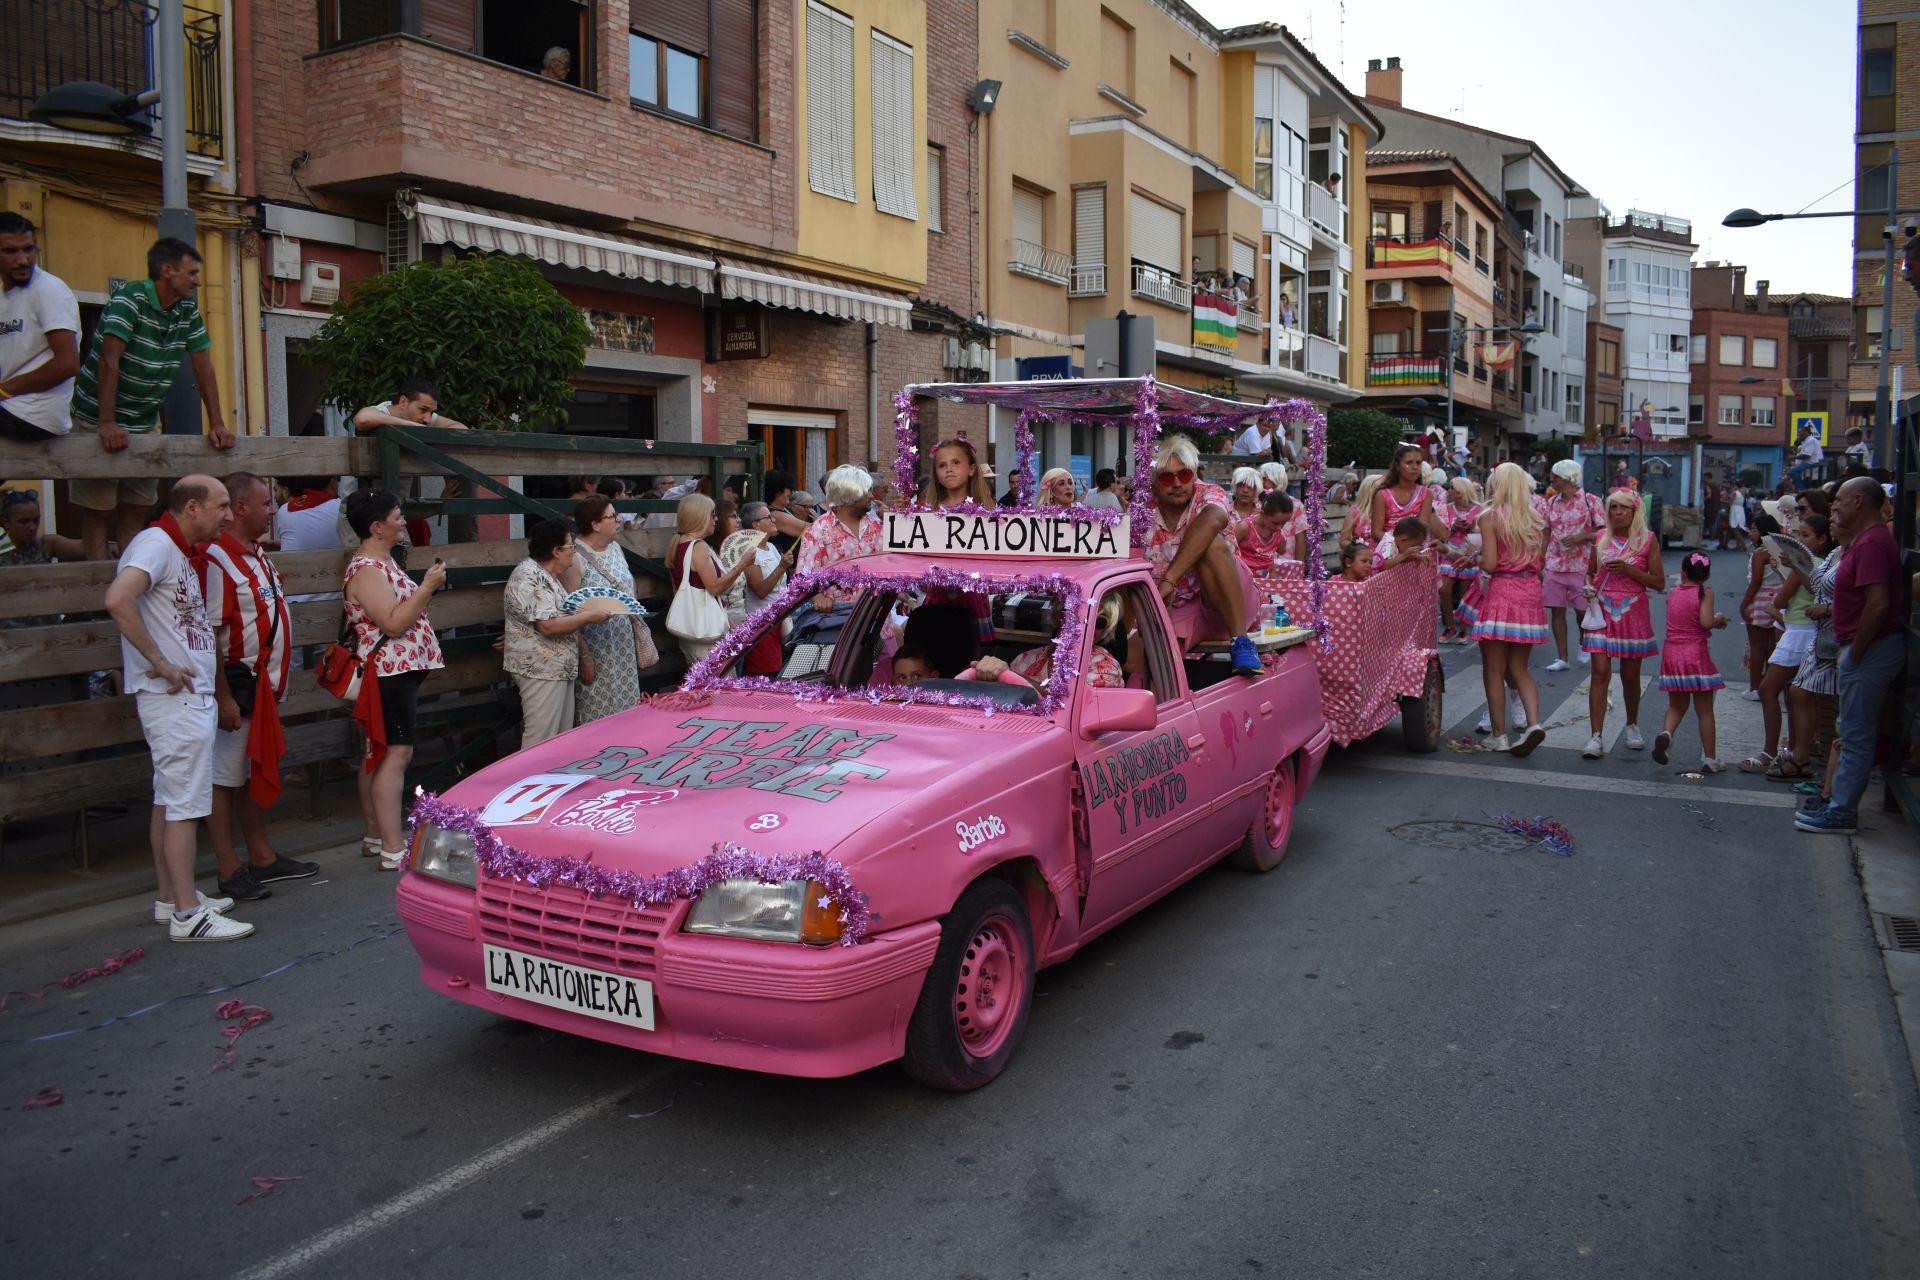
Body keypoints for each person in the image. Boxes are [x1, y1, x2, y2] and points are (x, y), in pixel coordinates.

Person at [102, 474, 252, 940]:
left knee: (170, 799)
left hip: (185, 696)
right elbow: (117, 598)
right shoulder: (156, 543)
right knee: (185, 804)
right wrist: (160, 662)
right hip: (175, 697)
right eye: (221, 505)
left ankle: (172, 899)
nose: (228, 515)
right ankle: (189, 914)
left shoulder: (172, 549)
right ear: (192, 507)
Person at [70, 239, 235, 562]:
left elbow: (203, 365)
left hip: (144, 421)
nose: (197, 280)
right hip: (96, 419)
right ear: (167, 270)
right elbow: (109, 360)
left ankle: (134, 585)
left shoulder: (186, 310)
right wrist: (106, 422)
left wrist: (216, 422)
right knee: (98, 511)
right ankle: (95, 597)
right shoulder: (129, 300)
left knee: (136, 509)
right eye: (191, 273)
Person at [203, 472, 313, 901]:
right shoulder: (217, 559)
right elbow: (211, 635)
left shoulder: (256, 554)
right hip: (241, 688)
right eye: (265, 503)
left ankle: (261, 856)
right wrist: (223, 696)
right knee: (225, 779)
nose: (273, 510)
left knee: (250, 771)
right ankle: (228, 868)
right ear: (239, 508)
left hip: (263, 689)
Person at [342, 487, 446, 869]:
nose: (403, 521)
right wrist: (428, 587)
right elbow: (393, 621)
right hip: (389, 671)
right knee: (396, 754)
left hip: (396, 669)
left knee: (380, 753)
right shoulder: (368, 569)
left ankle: (375, 835)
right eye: (397, 516)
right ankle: (392, 847)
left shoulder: (380, 562)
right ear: (376, 526)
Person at [1796, 478, 1906, 834]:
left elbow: (1878, 604)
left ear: (1859, 501)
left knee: (1855, 734)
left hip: (1868, 650)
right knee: (1850, 730)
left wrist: (1856, 650)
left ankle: (1842, 812)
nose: (1835, 507)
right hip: (1860, 648)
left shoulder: (1873, 543)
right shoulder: (1863, 541)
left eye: (1840, 500)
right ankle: (1837, 801)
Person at [1143, 434, 1262, 676]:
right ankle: (1159, 711)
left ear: (1194, 475)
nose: (1177, 483)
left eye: (1184, 474)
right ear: (1155, 483)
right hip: (1185, 606)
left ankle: (1240, 640)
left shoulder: (1208, 493)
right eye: (1167, 477)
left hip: (1232, 598)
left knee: (1209, 543)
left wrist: (1169, 580)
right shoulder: (1143, 511)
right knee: (1150, 654)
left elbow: (1213, 519)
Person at [504, 518, 605, 749]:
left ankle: (551, 783)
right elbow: (548, 626)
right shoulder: (530, 576)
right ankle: (527, 783)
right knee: (540, 739)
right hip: (540, 669)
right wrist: (590, 616)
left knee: (558, 740)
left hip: (556, 669)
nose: (574, 552)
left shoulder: (546, 575)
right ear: (556, 551)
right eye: (571, 547)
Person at [1471, 462, 1549, 755]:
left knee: (1494, 668)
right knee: (1519, 667)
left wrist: (1476, 557)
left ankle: (1499, 734)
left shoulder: (1489, 517)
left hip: (1502, 593)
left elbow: (1490, 564)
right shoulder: (1535, 519)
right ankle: (1534, 723)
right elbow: (1539, 562)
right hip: (1530, 593)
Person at [1579, 491, 1662, 759]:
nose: (1617, 512)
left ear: (1634, 511)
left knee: (1629, 676)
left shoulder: (1647, 541)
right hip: (1601, 610)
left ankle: (1632, 724)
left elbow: (1659, 582)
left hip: (1633, 613)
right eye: (1613, 507)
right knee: (1600, 672)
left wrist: (1629, 571)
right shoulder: (1600, 538)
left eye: (1624, 508)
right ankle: (1596, 736)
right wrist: (1589, 586)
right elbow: (1590, 572)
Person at [350, 378, 474, 545]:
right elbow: (362, 419)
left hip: (394, 513)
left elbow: (461, 429)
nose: (427, 419)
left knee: (400, 563)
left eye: (431, 412)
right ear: (403, 401)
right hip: (359, 516)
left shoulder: (423, 418)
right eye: (423, 410)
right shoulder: (380, 411)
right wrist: (409, 427)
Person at [571, 496, 661, 725]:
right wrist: (584, 655)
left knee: (626, 714)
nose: (619, 519)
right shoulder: (575, 558)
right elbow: (568, 611)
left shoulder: (615, 549)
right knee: (596, 713)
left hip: (623, 648)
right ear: (595, 524)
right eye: (612, 516)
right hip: (595, 648)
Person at [1742, 515, 1820, 775]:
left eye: (1806, 535)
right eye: (1800, 535)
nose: (1800, 540)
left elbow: (1781, 601)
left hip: (1798, 632)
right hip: (1802, 630)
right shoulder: (1819, 565)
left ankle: (1771, 751)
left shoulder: (1805, 567)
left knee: (1771, 690)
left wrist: (1790, 571)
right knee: (1797, 694)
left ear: (1822, 539)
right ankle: (1796, 751)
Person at [0, 212, 81, 442]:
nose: (23, 260)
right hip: (12, 409)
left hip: (34, 414)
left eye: (28, 249)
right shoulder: (5, 297)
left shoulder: (47, 290)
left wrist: (4, 390)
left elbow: (67, 364)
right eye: (11, 251)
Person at [1652, 552, 1728, 772]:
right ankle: (1710, 759)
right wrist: (1719, 619)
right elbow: (1705, 622)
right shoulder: (1705, 592)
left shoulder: (1674, 592)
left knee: (1676, 705)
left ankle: (1666, 734)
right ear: (1708, 574)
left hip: (1672, 654)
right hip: (1695, 654)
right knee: (1704, 709)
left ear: (1683, 573)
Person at [1782, 514, 1841, 791]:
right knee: (1800, 692)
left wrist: (1829, 609)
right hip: (1822, 636)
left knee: (1825, 704)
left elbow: (1868, 599)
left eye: (1839, 509)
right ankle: (1803, 756)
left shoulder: (1861, 550)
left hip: (1835, 636)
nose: (1834, 515)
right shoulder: (1838, 553)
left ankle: (1825, 779)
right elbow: (1816, 586)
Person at [973, 593, 1128, 693]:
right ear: (1057, 618)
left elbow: (1072, 706)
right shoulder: (1024, 659)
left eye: (1099, 622)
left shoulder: (1107, 668)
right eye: (1075, 616)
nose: (1085, 625)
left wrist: (1009, 677)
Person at [1538, 458, 1606, 672]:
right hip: (1555, 564)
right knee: (1557, 612)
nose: (1552, 480)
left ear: (1566, 477)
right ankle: (1562, 658)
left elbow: (1603, 532)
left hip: (1582, 565)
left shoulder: (1591, 500)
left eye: (1555, 476)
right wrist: (1541, 557)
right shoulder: (1551, 502)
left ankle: (1583, 644)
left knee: (1581, 612)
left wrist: (1581, 537)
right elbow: (1546, 531)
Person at [668, 493, 752, 664]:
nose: (716, 519)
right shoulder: (698, 547)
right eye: (712, 514)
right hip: (706, 632)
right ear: (699, 516)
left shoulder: (679, 543)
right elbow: (714, 588)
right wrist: (741, 565)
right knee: (722, 687)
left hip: (691, 627)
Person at [794, 466, 884, 614]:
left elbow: (891, 568)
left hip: (875, 620)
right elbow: (804, 576)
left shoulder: (877, 526)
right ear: (851, 493)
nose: (872, 496)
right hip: (837, 624)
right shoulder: (818, 530)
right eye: (867, 491)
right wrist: (818, 597)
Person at [725, 501, 795, 675]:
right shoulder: (749, 551)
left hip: (779, 622)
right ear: (756, 524)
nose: (774, 520)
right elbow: (760, 590)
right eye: (768, 517)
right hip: (761, 625)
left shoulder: (771, 547)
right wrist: (781, 567)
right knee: (764, 674)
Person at [1736, 512, 1784, 699]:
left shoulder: (1760, 553)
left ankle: (1755, 688)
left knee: (1757, 646)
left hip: (1760, 598)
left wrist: (1744, 603)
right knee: (1772, 646)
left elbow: (1755, 581)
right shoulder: (1780, 548)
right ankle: (1770, 686)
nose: (1751, 532)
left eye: (1754, 529)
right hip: (1778, 597)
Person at [1437, 476, 1483, 643]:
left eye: (1452, 488)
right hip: (1449, 552)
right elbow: (1441, 531)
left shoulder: (1479, 509)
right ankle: (1450, 627)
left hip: (1469, 553)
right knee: (1444, 590)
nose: (1449, 491)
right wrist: (1452, 527)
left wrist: (1471, 527)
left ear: (1461, 491)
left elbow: (1484, 533)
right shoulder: (1446, 508)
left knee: (1465, 594)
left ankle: (1463, 630)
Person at [1235, 490, 1297, 577]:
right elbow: (1227, 551)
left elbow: (1280, 551)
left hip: (1264, 581)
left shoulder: (1277, 533)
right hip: (1241, 580)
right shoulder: (1244, 528)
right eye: (1275, 523)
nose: (1279, 527)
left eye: (1284, 523)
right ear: (1262, 514)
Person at [925, 437, 994, 509]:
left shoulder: (987, 509)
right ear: (936, 474)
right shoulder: (927, 511)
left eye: (956, 462)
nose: (949, 469)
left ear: (971, 469)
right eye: (942, 465)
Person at [1227, 466, 1262, 531]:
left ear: (1256, 489)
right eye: (1241, 485)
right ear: (1235, 486)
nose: (1245, 490)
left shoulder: (1264, 514)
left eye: (1250, 486)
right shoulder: (1224, 513)